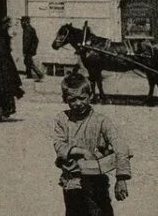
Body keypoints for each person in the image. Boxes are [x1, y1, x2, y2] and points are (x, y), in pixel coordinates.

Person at [53, 73, 131, 215]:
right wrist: (81, 151)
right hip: (73, 181)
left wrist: (121, 178)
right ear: (65, 100)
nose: (78, 103)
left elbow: (121, 147)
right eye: (72, 100)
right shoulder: (62, 119)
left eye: (82, 98)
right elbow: (59, 145)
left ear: (91, 95)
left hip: (97, 181)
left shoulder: (101, 121)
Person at [22, 16, 44, 81]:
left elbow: (27, 41)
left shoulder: (27, 29)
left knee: (29, 63)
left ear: (26, 22)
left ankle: (40, 75)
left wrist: (25, 51)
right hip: (30, 49)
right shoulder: (31, 28)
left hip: (28, 50)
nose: (21, 23)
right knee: (27, 62)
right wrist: (34, 48)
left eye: (22, 21)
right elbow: (36, 40)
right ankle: (29, 75)